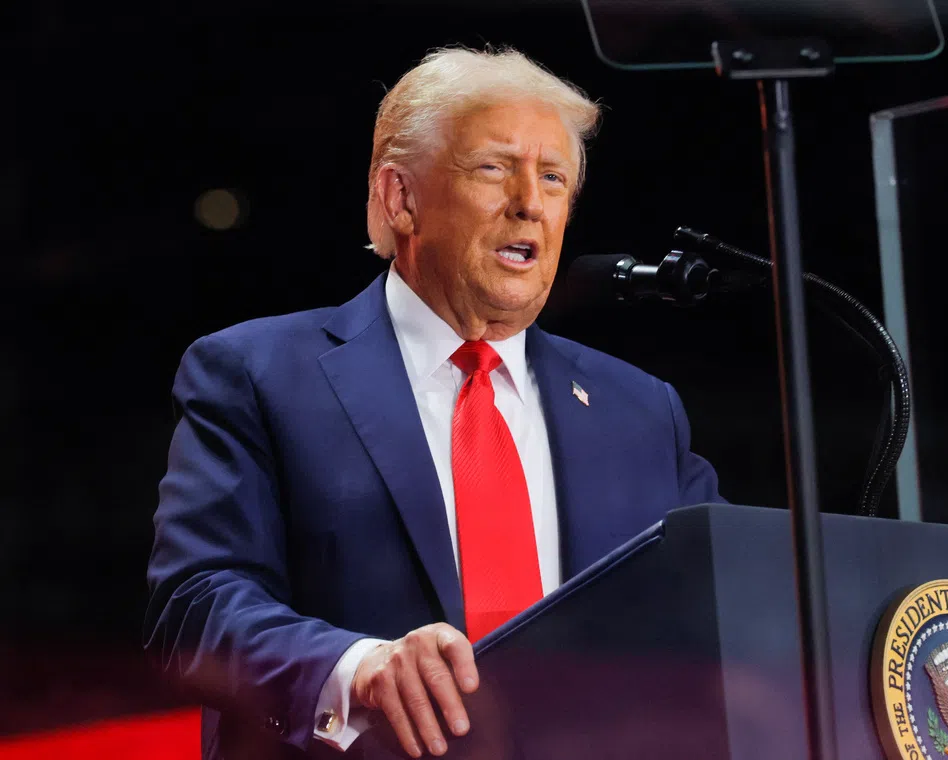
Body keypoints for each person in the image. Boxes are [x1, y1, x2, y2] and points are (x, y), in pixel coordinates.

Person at [145, 46, 722, 760]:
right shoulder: (257, 376)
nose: (529, 203)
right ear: (400, 197)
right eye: (493, 168)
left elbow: (726, 613)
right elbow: (193, 608)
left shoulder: (640, 411)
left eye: (553, 178)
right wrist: (357, 669)